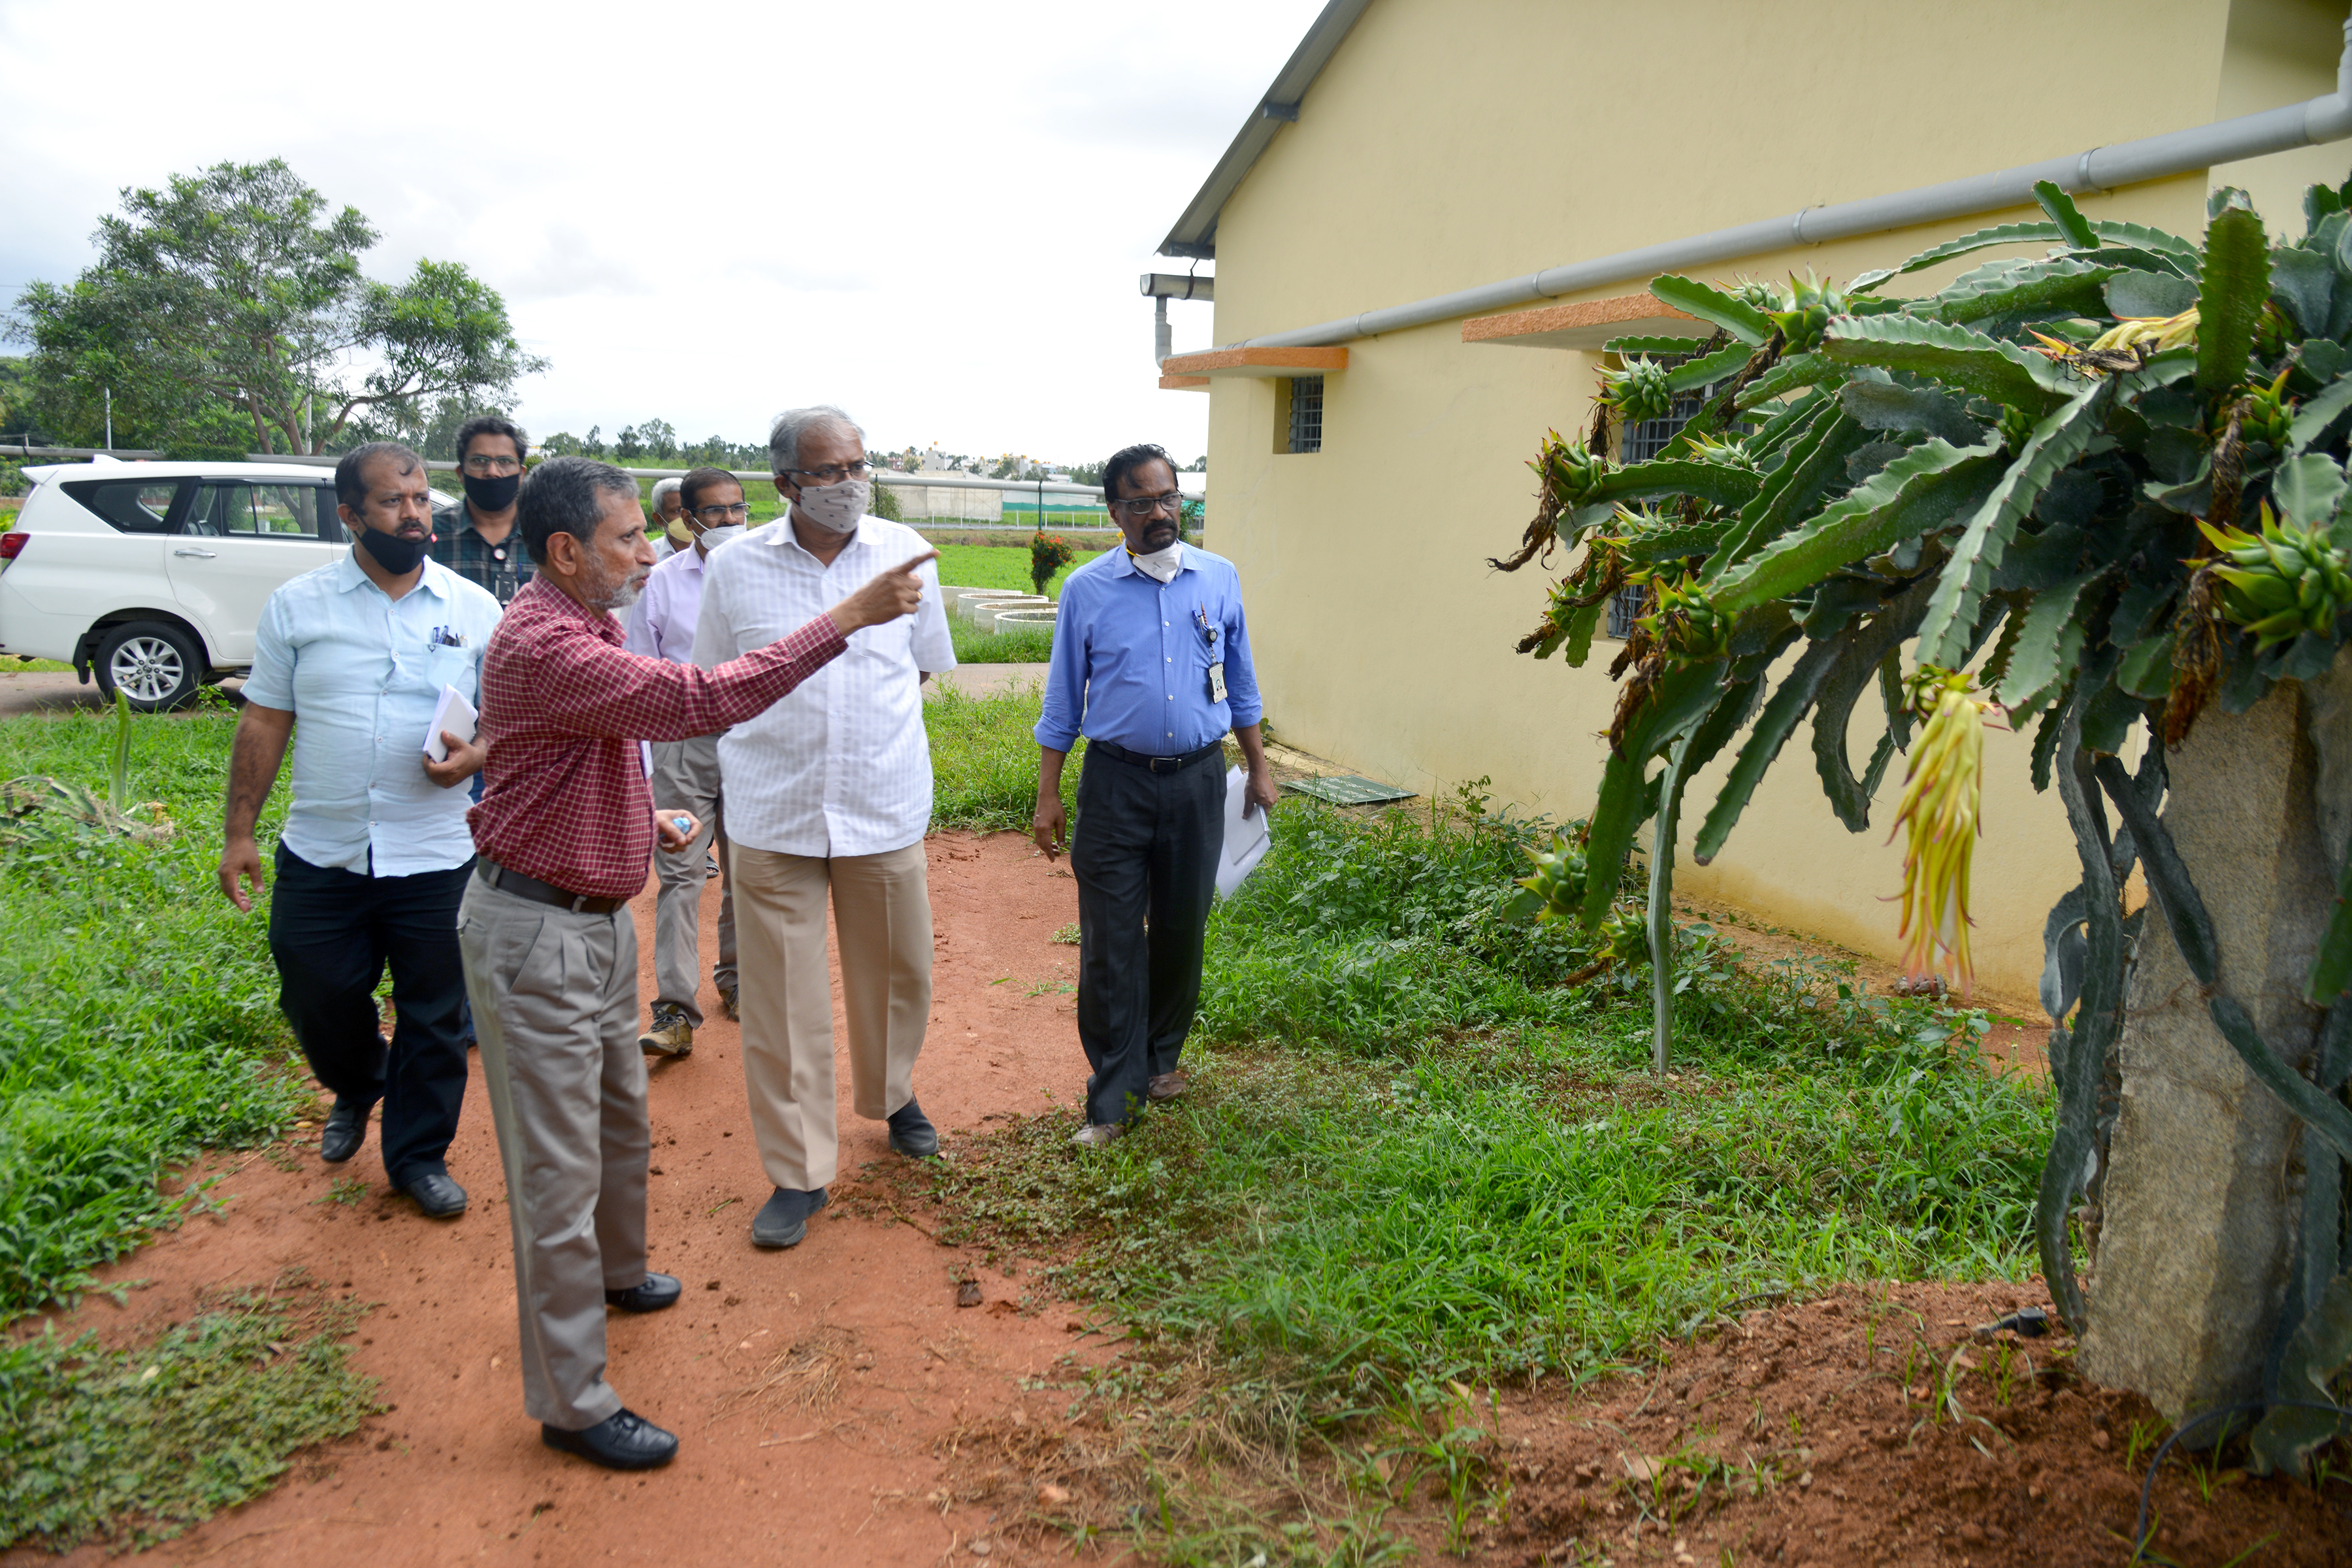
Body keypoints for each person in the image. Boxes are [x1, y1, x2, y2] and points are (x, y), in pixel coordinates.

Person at [459, 454, 931, 1471]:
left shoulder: (590, 622)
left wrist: (646, 816)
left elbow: (580, 755)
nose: (654, 550)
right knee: (556, 1172)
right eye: (632, 536)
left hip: (588, 921)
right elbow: (703, 699)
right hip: (536, 933)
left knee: (619, 1124)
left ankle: (619, 1274)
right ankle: (573, 1400)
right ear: (567, 551)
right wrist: (843, 620)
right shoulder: (548, 642)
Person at [691, 406, 955, 1252]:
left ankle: (892, 1092)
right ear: (785, 484)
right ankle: (798, 1171)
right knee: (780, 999)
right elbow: (715, 683)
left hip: (882, 803)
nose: (849, 484)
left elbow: (922, 669)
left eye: (857, 466)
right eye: (829, 472)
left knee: (898, 971)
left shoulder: (906, 553)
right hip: (773, 812)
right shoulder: (735, 568)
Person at [218, 441, 500, 1217]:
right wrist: (239, 834)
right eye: (392, 501)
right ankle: (359, 1081)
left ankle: (417, 1157)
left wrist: (477, 753)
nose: (414, 514)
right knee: (317, 993)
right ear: (349, 514)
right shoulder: (299, 605)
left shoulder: (474, 610)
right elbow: (265, 719)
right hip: (324, 848)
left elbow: (506, 718)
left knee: (435, 1016)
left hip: (435, 851)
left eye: (421, 500)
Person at [1032, 442, 1276, 1145]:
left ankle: (1161, 1057)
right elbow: (1063, 700)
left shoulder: (1218, 577)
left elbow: (1240, 680)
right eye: (1141, 502)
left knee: (1180, 929)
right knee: (1111, 941)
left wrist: (1257, 766)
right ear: (1116, 512)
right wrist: (1048, 794)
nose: (1160, 513)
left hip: (1198, 780)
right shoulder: (1086, 591)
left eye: (1169, 497)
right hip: (1115, 784)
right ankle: (1114, 1099)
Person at [623, 466, 749, 1056]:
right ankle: (674, 1009)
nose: (729, 520)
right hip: (682, 744)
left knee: (746, 870)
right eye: (715, 511)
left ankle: (739, 980)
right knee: (680, 875)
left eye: (737, 508)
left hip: (750, 741)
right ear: (687, 519)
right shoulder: (658, 583)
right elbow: (639, 671)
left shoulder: (762, 575)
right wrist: (648, 762)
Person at [428, 414, 534, 606]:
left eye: (505, 461)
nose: (492, 472)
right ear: (460, 473)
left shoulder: (546, 534)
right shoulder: (431, 534)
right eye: (479, 461)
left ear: (521, 474)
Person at [648, 476, 686, 560]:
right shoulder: (649, 558)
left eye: (690, 509)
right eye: (678, 511)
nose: (687, 516)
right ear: (659, 519)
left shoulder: (711, 552)